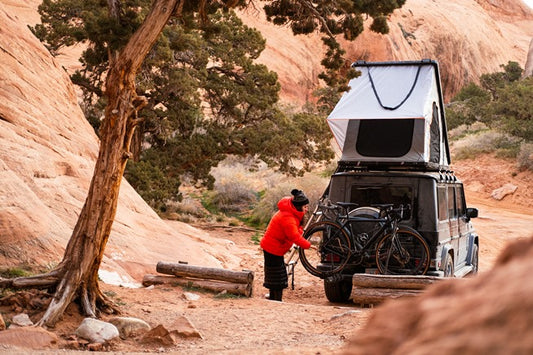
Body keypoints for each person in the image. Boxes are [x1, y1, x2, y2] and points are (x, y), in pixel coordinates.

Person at [260, 189, 311, 301]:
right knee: (277, 275)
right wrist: (308, 245)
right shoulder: (288, 217)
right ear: (298, 206)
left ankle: (273, 297)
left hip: (273, 247)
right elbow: (294, 236)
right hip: (272, 247)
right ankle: (276, 299)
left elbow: (296, 230)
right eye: (305, 207)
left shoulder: (291, 213)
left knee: (275, 273)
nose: (307, 209)